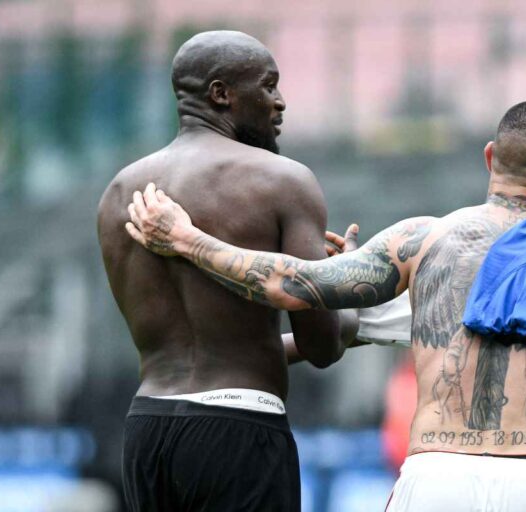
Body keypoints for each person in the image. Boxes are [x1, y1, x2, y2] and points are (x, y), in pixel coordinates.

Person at [126, 100, 526, 512]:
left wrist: (189, 240)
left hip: (436, 476)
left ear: (490, 157)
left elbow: (293, 285)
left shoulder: (425, 242)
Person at [97, 31, 357, 512]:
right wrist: (347, 295)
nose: (280, 103)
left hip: (148, 429)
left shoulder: (118, 192)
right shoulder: (282, 181)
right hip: (239, 429)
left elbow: (213, 342)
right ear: (221, 94)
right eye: (268, 86)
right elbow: (323, 346)